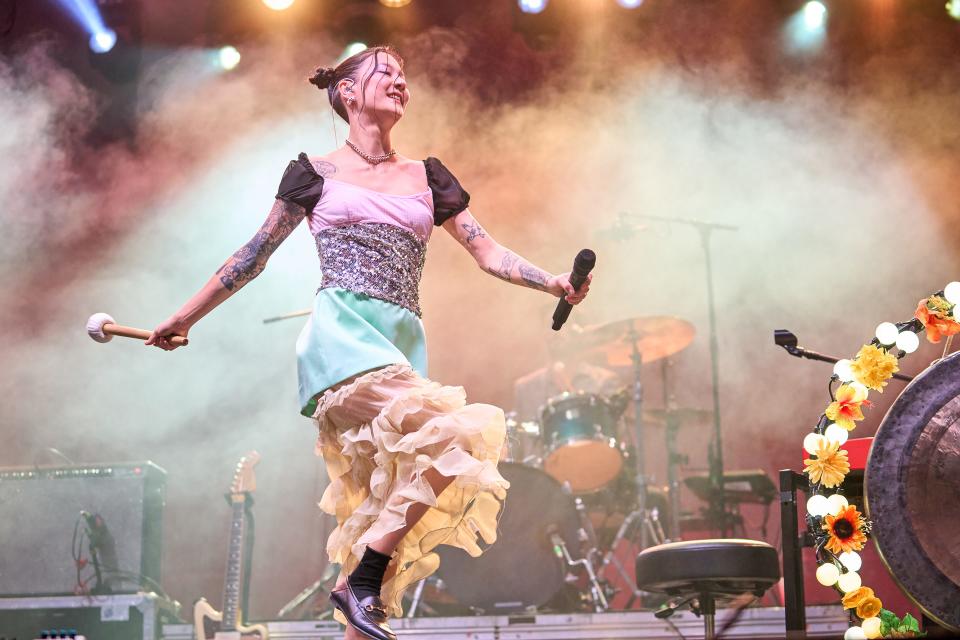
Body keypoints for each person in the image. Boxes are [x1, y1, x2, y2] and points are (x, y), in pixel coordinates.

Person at [146, 45, 592, 640]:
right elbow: (253, 255)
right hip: (341, 342)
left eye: (405, 76)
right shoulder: (315, 172)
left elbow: (488, 251)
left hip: (399, 345)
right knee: (459, 433)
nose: (401, 83)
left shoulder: (427, 177)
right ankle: (359, 581)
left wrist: (553, 282)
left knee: (380, 522)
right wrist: (184, 316)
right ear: (349, 92)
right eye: (387, 73)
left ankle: (362, 591)